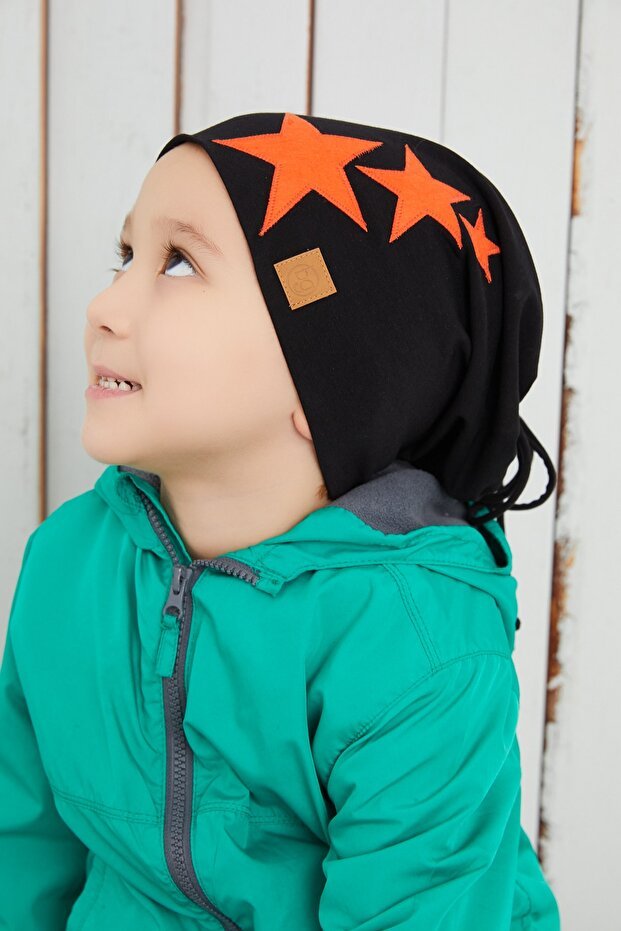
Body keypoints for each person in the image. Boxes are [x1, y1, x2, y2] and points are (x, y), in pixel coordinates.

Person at [0, 111, 561, 930]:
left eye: (179, 262)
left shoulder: (415, 642)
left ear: (331, 383)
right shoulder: (68, 561)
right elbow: (24, 847)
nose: (104, 306)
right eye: (127, 256)